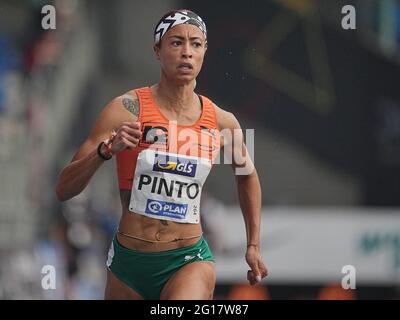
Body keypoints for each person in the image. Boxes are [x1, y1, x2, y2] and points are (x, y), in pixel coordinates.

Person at [55, 9, 267, 300]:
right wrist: (106, 151)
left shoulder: (222, 122)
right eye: (176, 42)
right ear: (157, 50)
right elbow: (64, 188)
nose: (186, 53)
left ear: (205, 51)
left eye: (195, 44)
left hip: (188, 259)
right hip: (129, 265)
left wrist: (253, 244)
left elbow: (248, 177)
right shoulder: (125, 109)